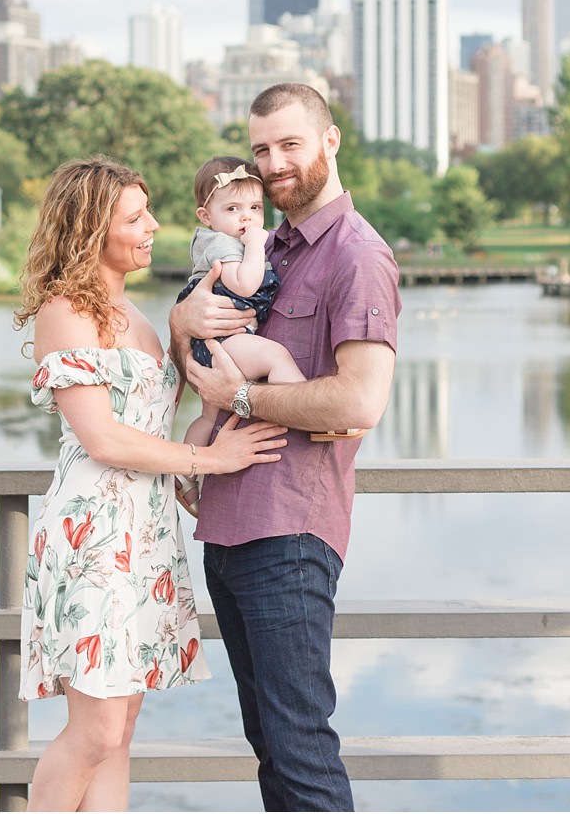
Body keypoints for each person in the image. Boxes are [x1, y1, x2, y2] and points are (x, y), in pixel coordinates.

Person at [15, 154, 289, 813]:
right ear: (90, 230)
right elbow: (103, 437)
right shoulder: (65, 311)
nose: (153, 226)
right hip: (94, 533)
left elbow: (176, 390)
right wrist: (213, 462)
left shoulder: (136, 314)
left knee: (122, 730)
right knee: (97, 728)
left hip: (145, 532)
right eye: (135, 217)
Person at [170, 84, 400, 813]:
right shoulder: (261, 247)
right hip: (230, 525)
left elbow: (359, 401)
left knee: (300, 745)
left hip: (291, 532)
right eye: (261, 148)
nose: (273, 163)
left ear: (329, 142)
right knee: (269, 740)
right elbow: (203, 354)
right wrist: (182, 318)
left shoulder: (357, 255)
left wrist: (240, 399)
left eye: (290, 144)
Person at [174, 155, 305, 516]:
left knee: (207, 417)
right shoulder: (222, 244)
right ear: (207, 216)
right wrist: (256, 245)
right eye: (232, 208)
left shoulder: (227, 238)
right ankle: (300, 413)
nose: (246, 217)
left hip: (214, 344)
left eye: (254, 207)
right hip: (221, 342)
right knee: (276, 356)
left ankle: (186, 473)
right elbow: (245, 285)